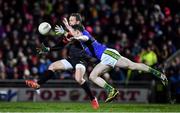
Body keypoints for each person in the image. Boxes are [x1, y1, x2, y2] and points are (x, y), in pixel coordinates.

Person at [55, 13, 168, 103]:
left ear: (78, 27)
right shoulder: (78, 33)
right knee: (93, 76)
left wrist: (74, 35)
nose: (73, 32)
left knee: (132, 66)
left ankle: (158, 73)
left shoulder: (83, 34)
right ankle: (112, 90)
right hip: (105, 58)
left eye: (72, 23)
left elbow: (84, 37)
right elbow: (73, 34)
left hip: (108, 54)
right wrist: (66, 29)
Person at [25, 32, 99, 109]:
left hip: (81, 60)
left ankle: (93, 99)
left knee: (78, 79)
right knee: (52, 66)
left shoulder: (83, 33)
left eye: (71, 21)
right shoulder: (70, 34)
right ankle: (38, 84)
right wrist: (48, 49)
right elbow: (60, 45)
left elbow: (84, 38)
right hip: (71, 59)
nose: (70, 23)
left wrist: (69, 34)